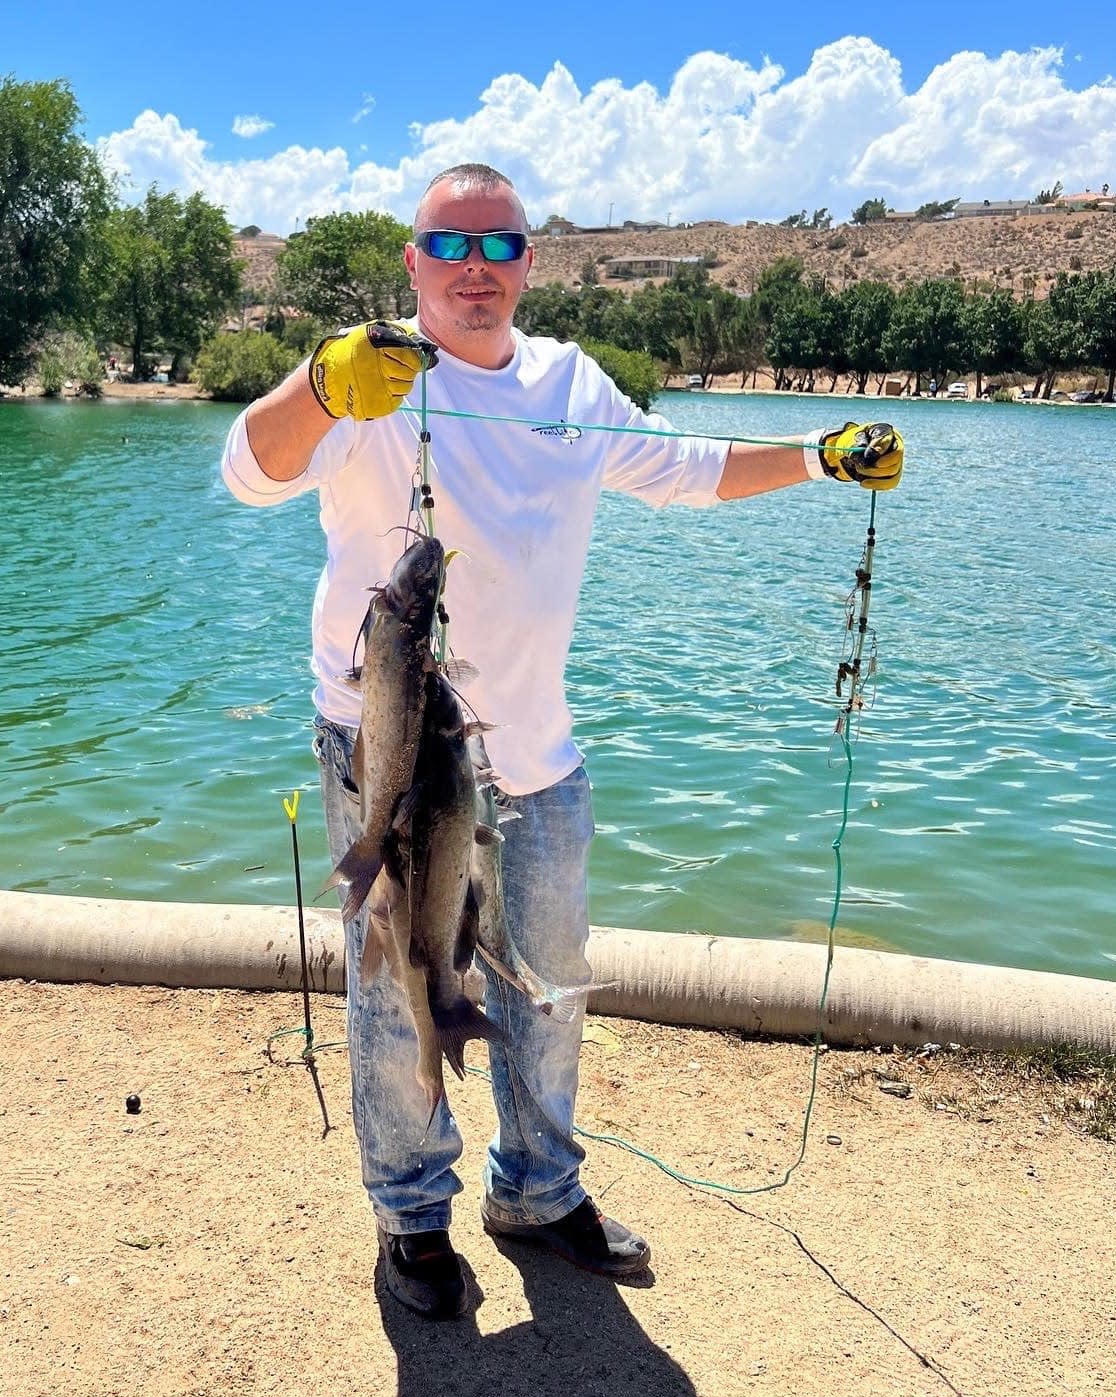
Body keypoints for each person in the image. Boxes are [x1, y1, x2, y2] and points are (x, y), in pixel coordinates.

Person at [221, 163, 903, 1320]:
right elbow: (247, 471)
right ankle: (411, 1217)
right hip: (390, 754)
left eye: (499, 249)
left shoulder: (570, 386)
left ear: (531, 262)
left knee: (546, 989)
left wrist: (817, 453)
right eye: (451, 247)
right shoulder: (367, 377)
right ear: (413, 261)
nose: (474, 272)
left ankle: (537, 1192)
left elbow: (686, 473)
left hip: (534, 752)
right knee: (397, 990)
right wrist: (324, 384)